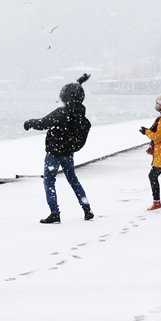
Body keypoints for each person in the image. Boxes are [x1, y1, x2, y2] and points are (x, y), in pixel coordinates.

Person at [23, 72, 94, 224]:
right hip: (68, 154)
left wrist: (29, 123)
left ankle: (55, 213)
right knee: (73, 180)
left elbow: (43, 123)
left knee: (49, 182)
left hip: (54, 153)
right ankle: (87, 209)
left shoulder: (62, 113)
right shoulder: (80, 114)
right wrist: (79, 83)